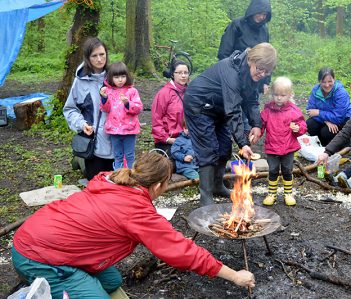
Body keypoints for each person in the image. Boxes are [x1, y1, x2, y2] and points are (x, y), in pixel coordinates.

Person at [11, 152, 256, 298]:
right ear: (160, 186)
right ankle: (39, 289)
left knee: (111, 281)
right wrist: (235, 276)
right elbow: (183, 251)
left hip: (34, 237)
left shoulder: (110, 181)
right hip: (37, 257)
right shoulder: (135, 211)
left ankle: (74, 280)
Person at [183, 42, 277, 206]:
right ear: (251, 60)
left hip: (219, 107)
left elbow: (251, 100)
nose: (262, 73)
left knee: (225, 146)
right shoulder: (231, 71)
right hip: (199, 105)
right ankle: (205, 196)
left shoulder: (251, 74)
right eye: (259, 68)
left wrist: (256, 124)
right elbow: (233, 110)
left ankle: (218, 186)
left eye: (266, 71)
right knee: (208, 148)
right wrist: (243, 143)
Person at [64, 37, 114, 180]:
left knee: (117, 185)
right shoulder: (80, 81)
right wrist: (82, 124)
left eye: (102, 54)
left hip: (117, 141)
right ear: (87, 58)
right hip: (95, 144)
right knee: (96, 183)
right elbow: (70, 109)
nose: (99, 59)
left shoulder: (116, 76)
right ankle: (80, 161)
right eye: (94, 56)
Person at [260, 77, 307, 206]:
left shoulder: (293, 110)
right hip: (272, 146)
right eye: (276, 95)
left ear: (290, 95)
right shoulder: (268, 110)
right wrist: (256, 133)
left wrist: (298, 128)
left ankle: (288, 193)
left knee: (287, 170)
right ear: (272, 94)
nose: (279, 98)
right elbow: (261, 124)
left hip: (288, 147)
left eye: (282, 95)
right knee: (273, 170)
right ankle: (272, 194)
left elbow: (302, 125)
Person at [217, 0, 272, 95]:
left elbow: (267, 57)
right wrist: (228, 75)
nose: (262, 17)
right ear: (253, 11)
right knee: (232, 106)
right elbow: (224, 52)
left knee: (251, 105)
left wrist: (266, 81)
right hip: (235, 74)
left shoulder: (264, 30)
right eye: (260, 13)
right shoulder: (237, 25)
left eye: (265, 15)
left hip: (255, 77)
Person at [100, 62, 143, 169]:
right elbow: (105, 109)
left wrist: (128, 103)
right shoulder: (108, 91)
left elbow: (138, 108)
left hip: (129, 130)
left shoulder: (132, 91)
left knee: (129, 155)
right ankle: (118, 175)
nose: (120, 80)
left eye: (123, 76)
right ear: (111, 78)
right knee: (118, 156)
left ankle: (130, 174)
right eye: (116, 77)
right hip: (114, 130)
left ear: (127, 77)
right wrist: (104, 98)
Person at [151, 60, 190, 162]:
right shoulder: (164, 93)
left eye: (185, 73)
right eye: (180, 73)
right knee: (176, 163)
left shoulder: (191, 92)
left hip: (187, 139)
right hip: (168, 140)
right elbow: (156, 120)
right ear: (173, 74)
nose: (183, 76)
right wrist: (167, 139)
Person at [306, 67, 351, 146]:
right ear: (319, 81)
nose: (327, 85)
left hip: (343, 120)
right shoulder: (316, 90)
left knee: (327, 132)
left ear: (334, 79)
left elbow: (338, 118)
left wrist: (319, 113)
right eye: (323, 82)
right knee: (310, 124)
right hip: (327, 118)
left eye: (330, 81)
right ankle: (322, 144)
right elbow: (310, 111)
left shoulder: (341, 93)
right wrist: (326, 121)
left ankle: (345, 142)